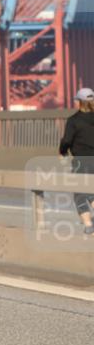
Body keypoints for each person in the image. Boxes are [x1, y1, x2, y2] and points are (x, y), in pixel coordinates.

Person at [59, 87, 94, 235]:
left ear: (79, 102)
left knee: (80, 193)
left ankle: (88, 226)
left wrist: (62, 152)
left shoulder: (73, 120)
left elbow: (67, 140)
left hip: (81, 160)